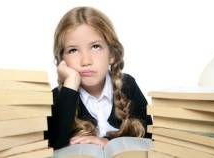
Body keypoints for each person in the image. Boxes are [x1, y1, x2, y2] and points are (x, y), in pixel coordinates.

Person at [44, 6, 152, 150]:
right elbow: (54, 145)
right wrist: (70, 83)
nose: (86, 61)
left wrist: (108, 143)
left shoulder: (128, 86)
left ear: (112, 55)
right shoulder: (60, 97)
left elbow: (151, 137)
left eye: (95, 47)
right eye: (73, 50)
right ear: (61, 60)